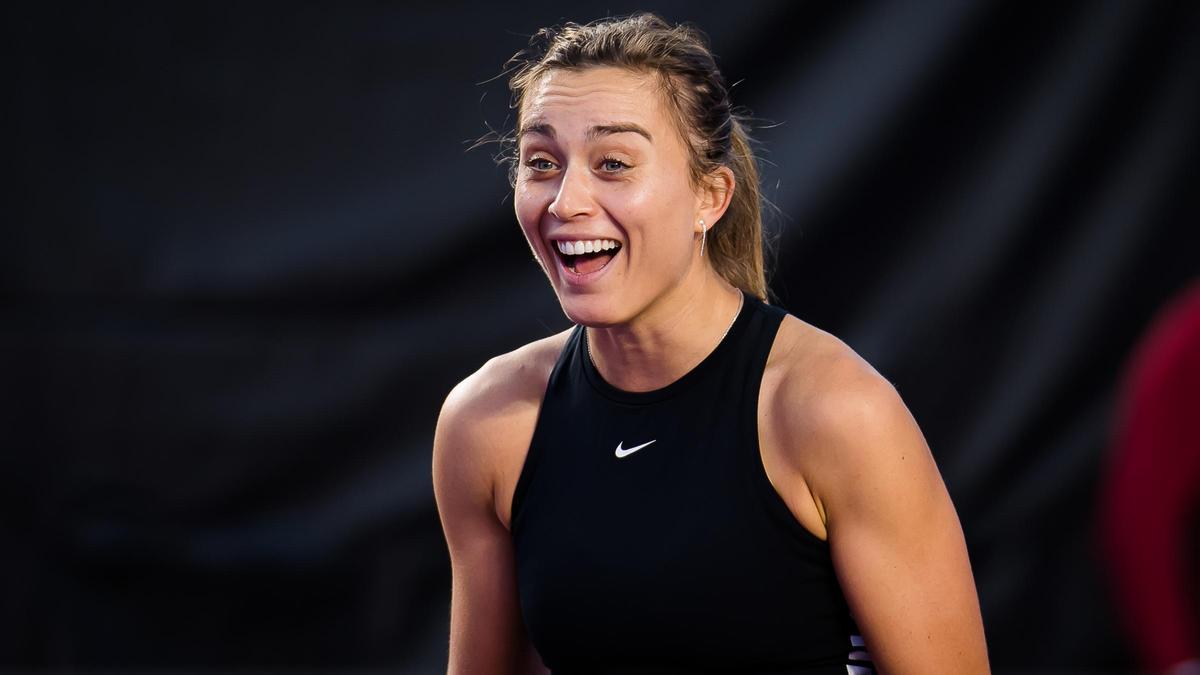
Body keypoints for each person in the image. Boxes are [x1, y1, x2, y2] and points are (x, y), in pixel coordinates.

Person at [433, 13, 990, 675]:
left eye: (613, 163)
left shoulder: (835, 412)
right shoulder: (487, 422)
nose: (566, 200)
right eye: (542, 163)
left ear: (710, 196)